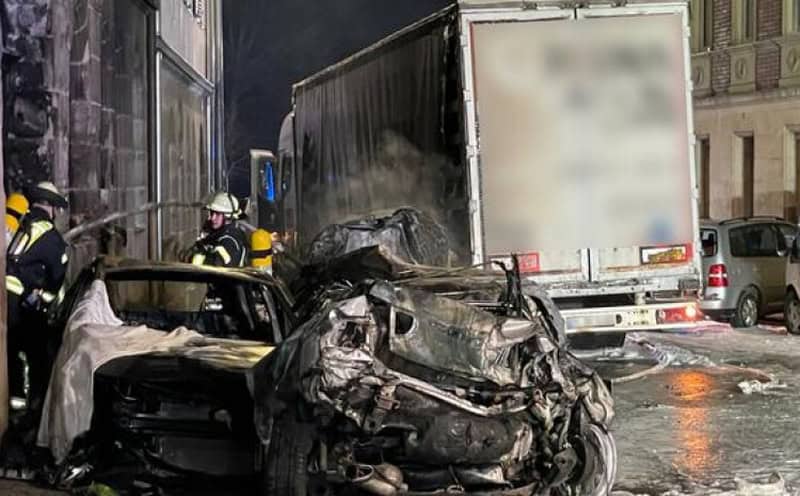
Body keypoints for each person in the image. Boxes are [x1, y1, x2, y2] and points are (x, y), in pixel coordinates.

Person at [6, 181, 68, 413]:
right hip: (22, 302)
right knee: (38, 354)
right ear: (51, 207)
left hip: (5, 296)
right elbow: (57, 274)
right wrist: (46, 299)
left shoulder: (21, 224)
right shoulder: (51, 236)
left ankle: (14, 404)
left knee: (11, 350)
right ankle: (36, 408)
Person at [186, 191, 248, 268]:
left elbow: (218, 268)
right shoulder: (218, 235)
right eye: (212, 213)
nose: (212, 218)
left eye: (217, 214)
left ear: (227, 216)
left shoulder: (229, 240)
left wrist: (199, 254)